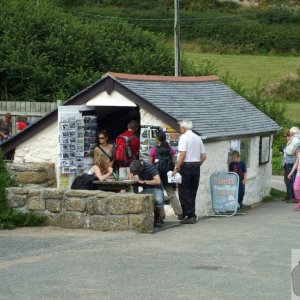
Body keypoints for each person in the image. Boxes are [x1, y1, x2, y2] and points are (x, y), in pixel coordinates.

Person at [172, 120, 206, 224]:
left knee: (184, 191)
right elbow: (204, 156)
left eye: (180, 128)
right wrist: (197, 165)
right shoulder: (198, 137)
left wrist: (176, 168)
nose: (180, 130)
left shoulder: (183, 137)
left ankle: (189, 215)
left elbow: (182, 155)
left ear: (183, 128)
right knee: (193, 191)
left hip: (186, 166)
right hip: (196, 166)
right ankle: (192, 214)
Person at [148, 131, 183, 220]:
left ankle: (161, 215)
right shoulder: (171, 149)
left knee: (159, 195)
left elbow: (149, 163)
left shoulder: (153, 149)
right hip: (168, 175)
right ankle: (179, 213)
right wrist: (175, 170)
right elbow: (175, 161)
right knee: (172, 194)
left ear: (157, 139)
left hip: (157, 175)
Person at [130, 159, 164, 227]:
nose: (137, 174)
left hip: (156, 188)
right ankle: (141, 220)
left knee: (159, 201)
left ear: (141, 167)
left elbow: (158, 181)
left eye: (137, 172)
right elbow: (132, 177)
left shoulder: (149, 167)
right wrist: (133, 179)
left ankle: (157, 217)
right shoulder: (134, 165)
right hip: (146, 189)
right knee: (137, 200)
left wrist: (145, 182)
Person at [285, 127, 300, 203]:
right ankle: (291, 195)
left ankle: (293, 196)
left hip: (292, 161)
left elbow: (295, 152)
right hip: (290, 161)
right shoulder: (294, 139)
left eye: (291, 133)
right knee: (290, 179)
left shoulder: (296, 140)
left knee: (291, 179)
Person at [288, 145, 300, 211]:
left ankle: (299, 204)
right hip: (298, 174)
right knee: (296, 189)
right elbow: (296, 164)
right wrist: (291, 173)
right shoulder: (299, 154)